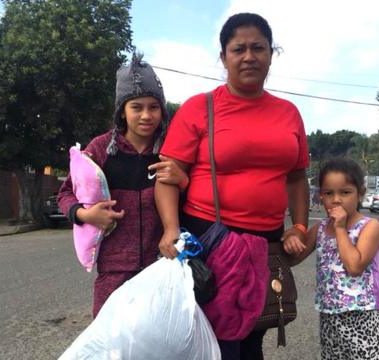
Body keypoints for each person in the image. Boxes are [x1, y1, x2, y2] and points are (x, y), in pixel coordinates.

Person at [154, 12, 310, 360]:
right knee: (215, 337)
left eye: (259, 47)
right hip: (210, 238)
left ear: (272, 53)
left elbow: (297, 177)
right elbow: (167, 175)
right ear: (223, 57)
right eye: (238, 49)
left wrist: (299, 225)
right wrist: (169, 229)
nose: (249, 56)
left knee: (256, 329)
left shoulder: (289, 113)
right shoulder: (200, 108)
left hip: (267, 241)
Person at [57, 53, 188, 317]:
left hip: (162, 267)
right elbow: (65, 194)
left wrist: (183, 180)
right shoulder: (101, 149)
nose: (146, 115)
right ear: (122, 111)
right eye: (136, 107)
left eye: (153, 106)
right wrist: (85, 214)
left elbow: (194, 198)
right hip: (113, 272)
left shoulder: (172, 150)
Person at [283, 158, 379, 360]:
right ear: (320, 196)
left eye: (345, 192)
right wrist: (291, 240)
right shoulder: (320, 229)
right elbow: (294, 259)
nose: (336, 199)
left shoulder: (369, 226)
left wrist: (339, 228)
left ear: (360, 194)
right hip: (329, 316)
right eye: (328, 193)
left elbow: (355, 266)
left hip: (362, 316)